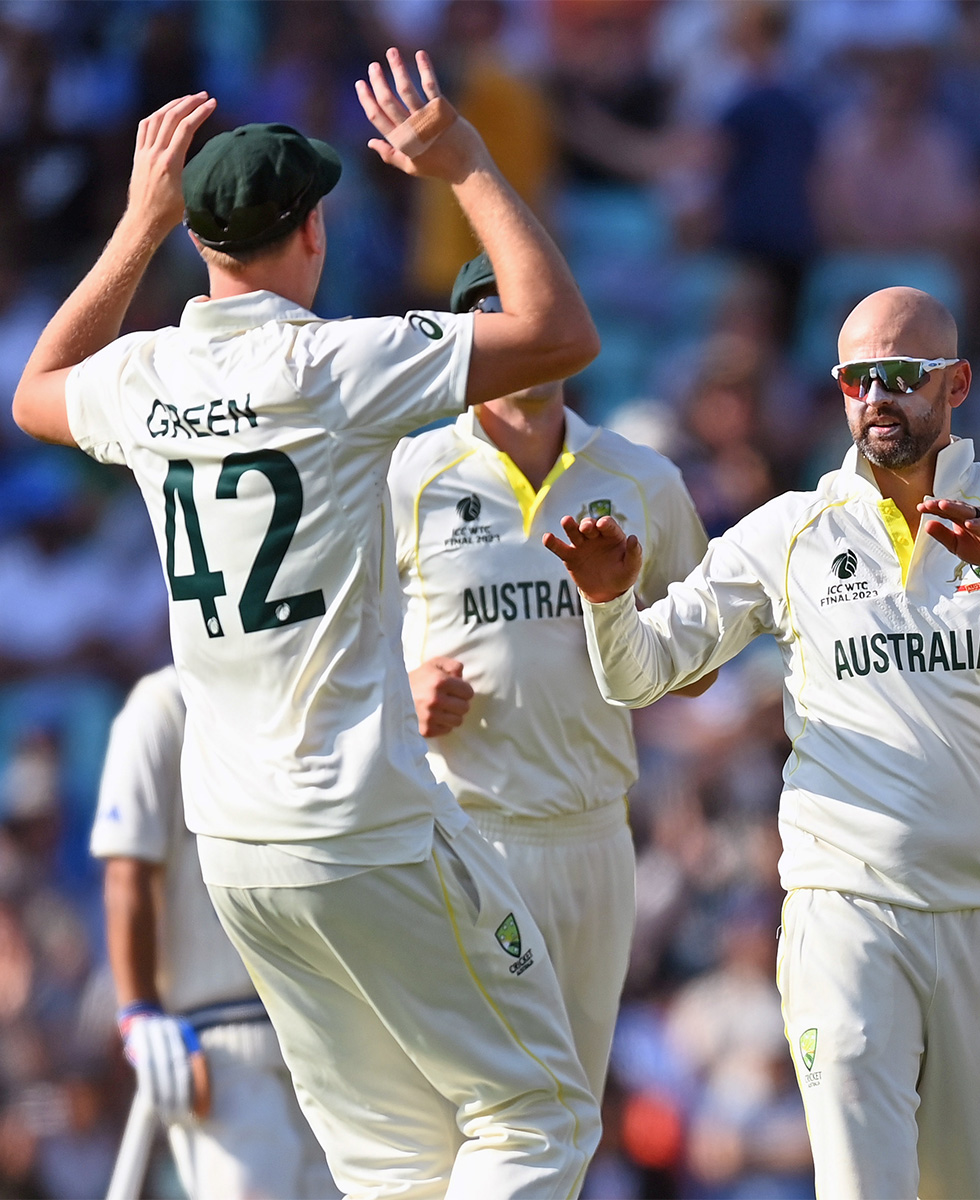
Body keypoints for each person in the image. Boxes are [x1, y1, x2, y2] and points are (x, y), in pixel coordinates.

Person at [12, 53, 603, 1197]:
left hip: (237, 847)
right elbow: (559, 332)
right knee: (536, 1112)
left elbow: (37, 388)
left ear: (197, 238)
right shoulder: (336, 361)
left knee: (388, 1157)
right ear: (314, 231)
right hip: (360, 821)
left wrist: (136, 226)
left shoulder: (142, 378)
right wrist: (468, 166)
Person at [546, 285, 980, 1198]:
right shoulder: (789, 530)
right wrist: (607, 603)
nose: (876, 396)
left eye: (901, 375)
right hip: (846, 913)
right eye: (855, 378)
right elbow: (641, 673)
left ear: (956, 384)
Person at [392, 251, 713, 1100]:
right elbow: (332, 642)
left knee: (571, 1110)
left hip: (596, 835)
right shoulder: (407, 476)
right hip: (462, 829)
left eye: (537, 316)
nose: (525, 340)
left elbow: (698, 672)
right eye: (499, 322)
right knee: (486, 1110)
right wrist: (399, 693)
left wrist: (618, 608)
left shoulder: (644, 481)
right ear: (466, 340)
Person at [92, 666, 337, 1200]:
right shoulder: (161, 707)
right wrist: (139, 1011)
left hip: (326, 1027)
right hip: (222, 1046)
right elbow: (126, 870)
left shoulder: (298, 685)